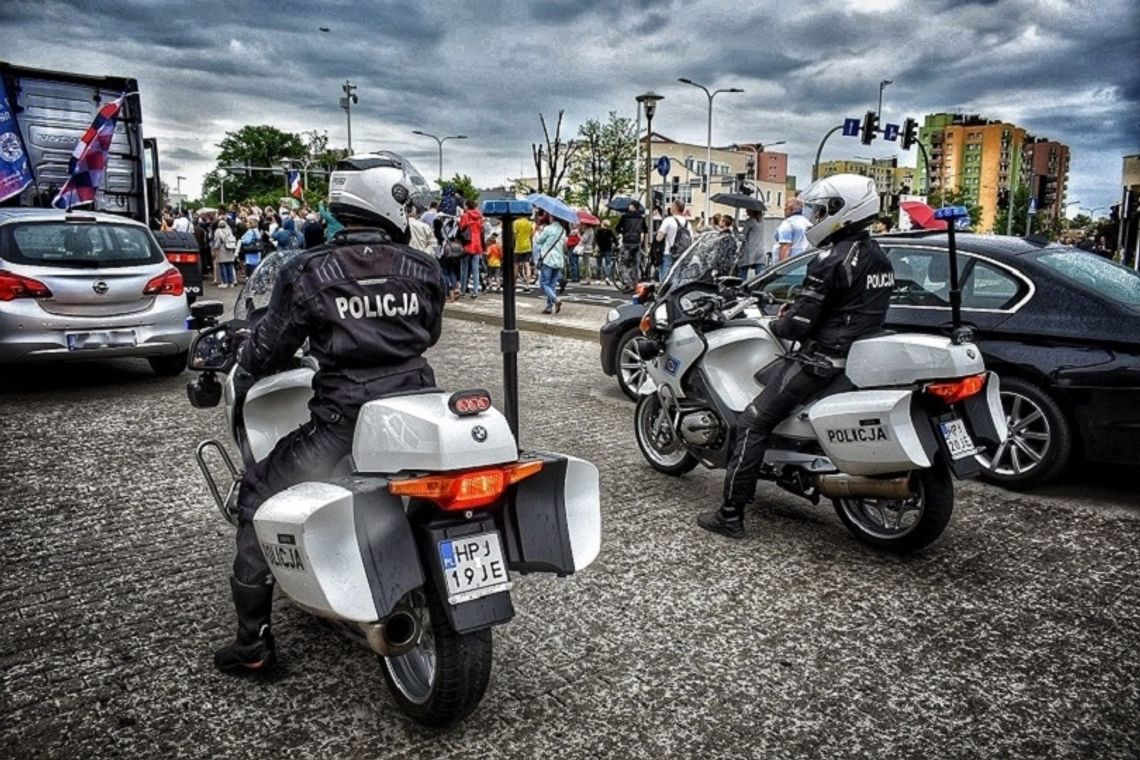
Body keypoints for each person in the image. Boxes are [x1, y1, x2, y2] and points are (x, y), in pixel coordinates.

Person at [213, 155, 444, 673]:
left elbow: (271, 345)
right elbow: (430, 333)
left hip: (344, 421)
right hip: (416, 409)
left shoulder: (308, 269)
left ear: (344, 205)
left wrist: (245, 360)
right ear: (391, 203)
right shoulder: (424, 267)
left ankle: (252, 647)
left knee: (256, 495)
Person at [698, 175, 896, 539]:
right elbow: (848, 306)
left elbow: (796, 327)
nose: (816, 215)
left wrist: (783, 321)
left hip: (822, 360)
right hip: (857, 357)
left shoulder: (830, 259)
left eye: (822, 209)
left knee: (753, 421)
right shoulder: (878, 256)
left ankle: (730, 514)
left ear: (841, 210)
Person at [533, 210, 567, 314]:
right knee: (551, 284)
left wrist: (539, 231)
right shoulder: (563, 230)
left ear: (552, 217)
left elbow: (538, 240)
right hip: (559, 260)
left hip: (548, 259)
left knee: (543, 283)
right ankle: (549, 306)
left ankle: (555, 299)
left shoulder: (548, 229)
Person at [655, 200, 692, 282]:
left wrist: (659, 233)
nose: (670, 208)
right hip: (682, 255)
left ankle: (665, 294)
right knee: (678, 279)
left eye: (672, 206)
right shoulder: (688, 223)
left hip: (668, 253)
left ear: (675, 208)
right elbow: (691, 239)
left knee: (665, 280)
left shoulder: (668, 220)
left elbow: (659, 238)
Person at [458, 198, 485, 298]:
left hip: (467, 244)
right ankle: (475, 291)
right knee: (475, 269)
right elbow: (482, 229)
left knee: (464, 268)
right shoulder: (479, 216)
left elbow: (461, 227)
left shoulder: (465, 215)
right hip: (477, 244)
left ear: (467, 206)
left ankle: (463, 290)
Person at [616, 201, 645, 291]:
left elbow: (617, 228)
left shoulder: (625, 216)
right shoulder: (641, 217)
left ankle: (627, 282)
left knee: (623, 263)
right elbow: (645, 229)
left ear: (633, 206)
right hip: (637, 242)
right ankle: (635, 282)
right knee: (635, 263)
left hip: (627, 242)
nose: (629, 207)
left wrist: (623, 231)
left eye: (630, 205)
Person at [773, 197, 811, 262]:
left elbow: (785, 247)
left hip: (791, 265)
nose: (784, 211)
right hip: (805, 262)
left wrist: (781, 268)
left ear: (790, 209)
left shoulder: (788, 224)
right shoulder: (808, 224)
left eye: (785, 209)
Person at [738, 207, 766, 279]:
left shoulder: (749, 221)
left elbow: (742, 237)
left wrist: (735, 229)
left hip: (749, 250)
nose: (746, 210)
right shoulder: (761, 221)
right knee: (760, 274)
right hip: (760, 249)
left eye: (747, 209)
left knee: (742, 273)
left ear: (751, 211)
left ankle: (742, 288)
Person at [212, 218, 238, 288]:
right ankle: (232, 282)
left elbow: (217, 242)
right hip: (230, 249)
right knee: (230, 265)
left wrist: (214, 248)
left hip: (222, 249)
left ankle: (225, 282)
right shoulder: (229, 230)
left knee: (223, 266)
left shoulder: (217, 231)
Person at [512, 213, 534, 291]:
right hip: (527, 246)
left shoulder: (516, 222)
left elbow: (514, 235)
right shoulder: (530, 223)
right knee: (527, 265)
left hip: (518, 247)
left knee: (516, 265)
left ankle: (514, 284)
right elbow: (531, 235)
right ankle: (527, 285)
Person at [595, 219, 615, 284]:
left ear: (603, 224)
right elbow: (615, 239)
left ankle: (598, 279)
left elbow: (596, 240)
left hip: (600, 249)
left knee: (599, 264)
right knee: (608, 264)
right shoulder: (610, 231)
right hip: (608, 248)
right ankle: (607, 277)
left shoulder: (598, 231)